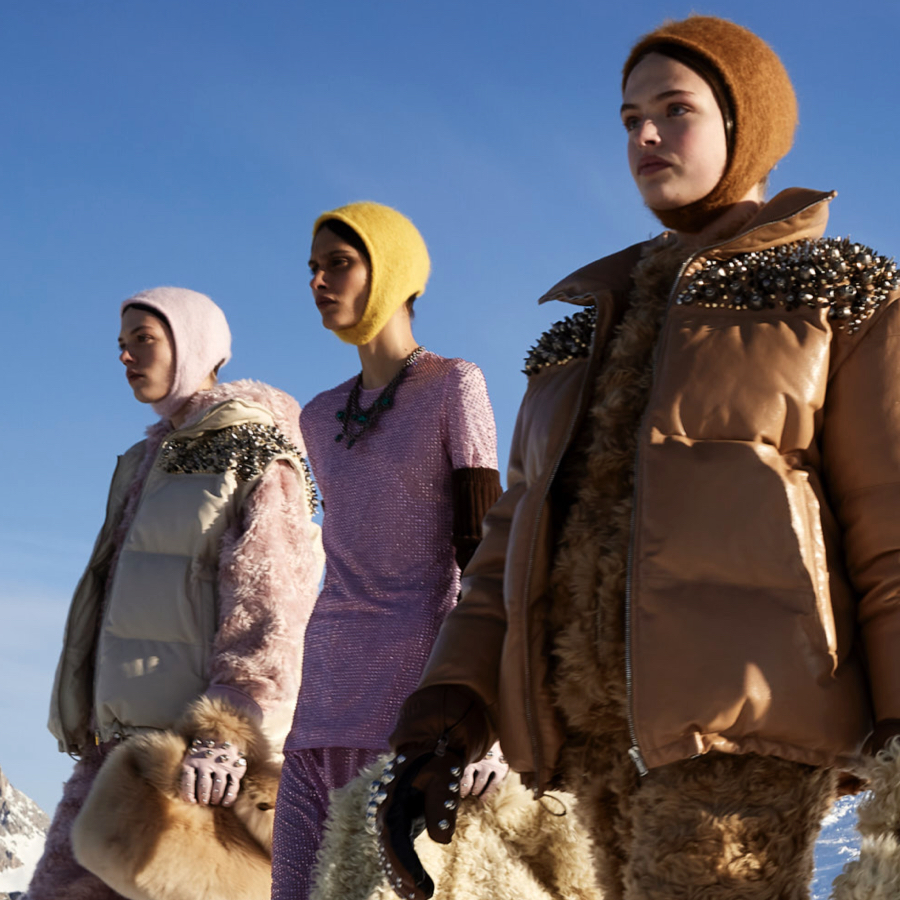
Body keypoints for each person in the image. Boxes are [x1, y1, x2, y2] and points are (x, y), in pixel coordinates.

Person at [374, 15, 900, 900]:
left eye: (674, 109)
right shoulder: (578, 339)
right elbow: (509, 551)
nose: (645, 135)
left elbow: (890, 528)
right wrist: (449, 719)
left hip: (748, 739)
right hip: (594, 748)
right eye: (628, 118)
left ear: (747, 128)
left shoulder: (835, 299)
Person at [30, 287, 323, 900]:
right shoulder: (146, 458)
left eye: (144, 339)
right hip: (118, 752)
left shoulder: (253, 443)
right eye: (122, 344)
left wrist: (227, 729)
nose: (127, 357)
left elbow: (275, 596)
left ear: (194, 347)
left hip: (195, 766)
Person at [270, 202, 504, 900]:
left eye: (338, 263)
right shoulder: (316, 416)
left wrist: (487, 720)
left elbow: (483, 559)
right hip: (319, 706)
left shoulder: (454, 386)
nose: (318, 280)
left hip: (411, 709)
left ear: (394, 271)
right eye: (312, 268)